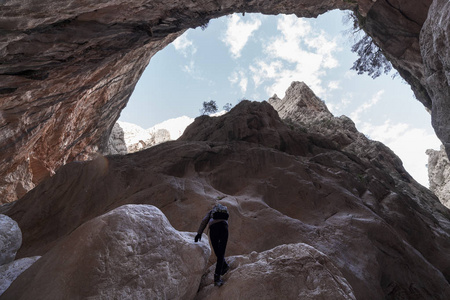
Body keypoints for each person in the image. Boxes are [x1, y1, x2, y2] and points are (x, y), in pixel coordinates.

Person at [195, 203, 230, 287]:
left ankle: (217, 278)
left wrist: (199, 233)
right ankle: (223, 267)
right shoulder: (225, 212)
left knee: (217, 250)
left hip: (214, 229)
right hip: (224, 228)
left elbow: (204, 221)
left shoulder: (211, 212)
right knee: (221, 252)